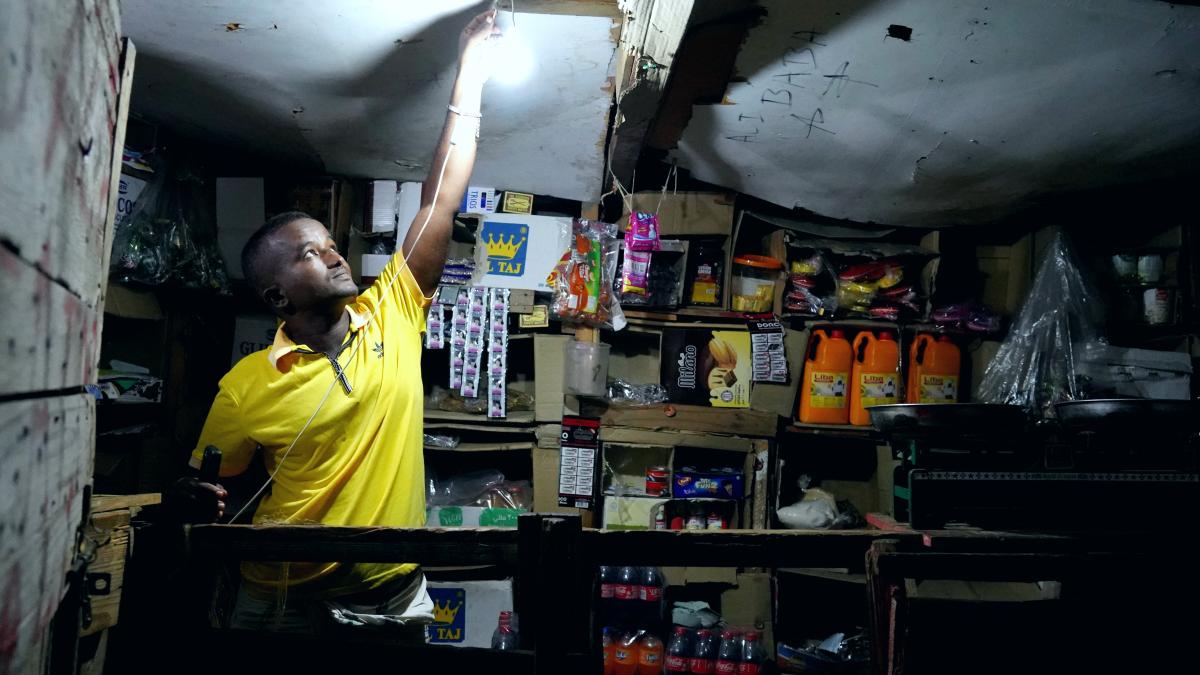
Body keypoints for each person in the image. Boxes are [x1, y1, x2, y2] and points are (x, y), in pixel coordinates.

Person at [168, 9, 500, 636]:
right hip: (281, 601)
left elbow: (439, 198)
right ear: (276, 296)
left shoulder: (394, 311)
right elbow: (217, 489)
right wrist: (190, 497)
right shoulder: (245, 386)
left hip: (389, 593)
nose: (333, 253)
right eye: (308, 254)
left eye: (329, 242)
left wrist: (471, 70)